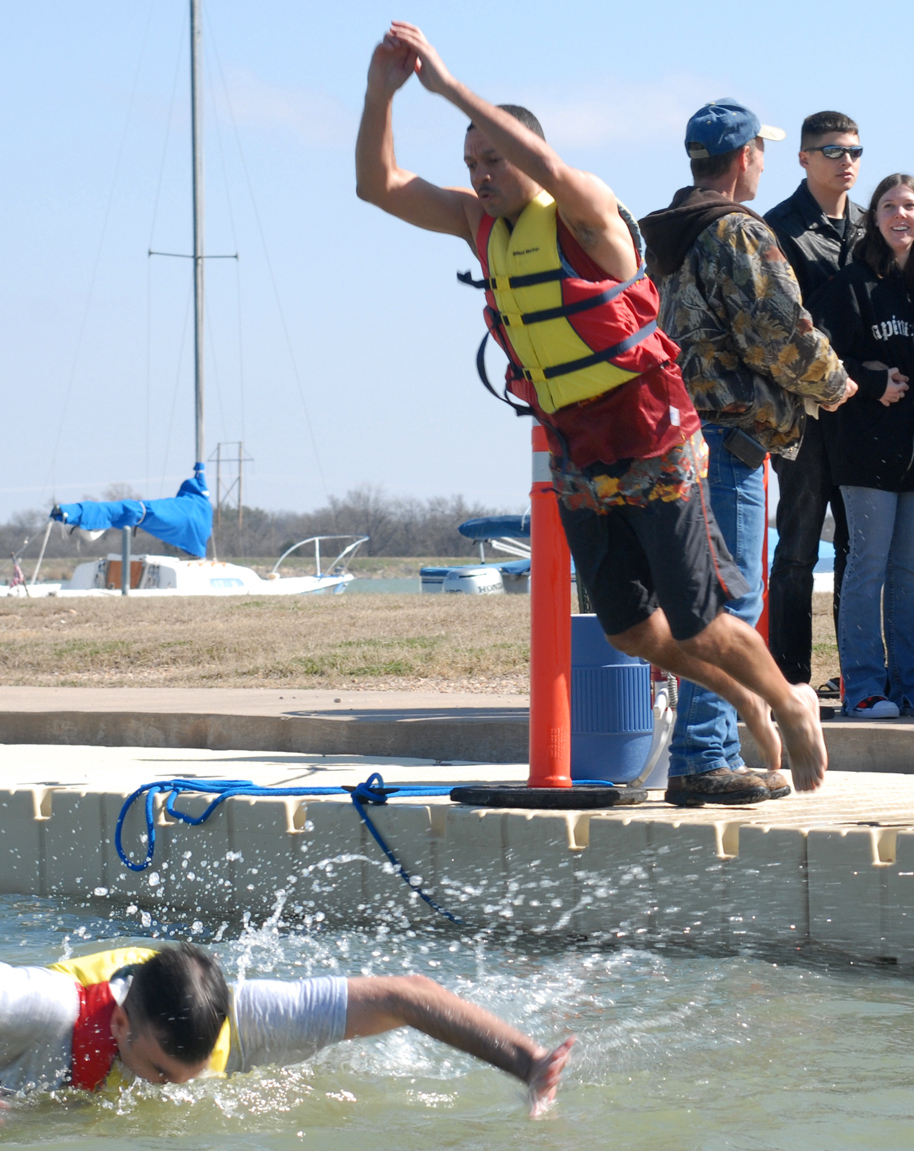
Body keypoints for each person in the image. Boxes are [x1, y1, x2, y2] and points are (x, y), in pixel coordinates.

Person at [353, 28, 830, 802]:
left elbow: (547, 166)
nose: (480, 178)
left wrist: (445, 85)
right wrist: (382, 93)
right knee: (630, 630)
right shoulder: (482, 226)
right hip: (580, 448)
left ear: (528, 157)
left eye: (492, 161)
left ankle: (789, 703)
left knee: (701, 620)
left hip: (652, 436)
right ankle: (744, 698)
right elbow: (378, 184)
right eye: (470, 165)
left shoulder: (585, 212)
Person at [637, 100, 853, 798]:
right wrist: (836, 382)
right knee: (728, 602)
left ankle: (712, 747)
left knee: (703, 594)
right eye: (761, 150)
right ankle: (705, 756)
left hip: (676, 438)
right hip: (728, 443)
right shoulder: (734, 231)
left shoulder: (669, 233)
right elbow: (780, 330)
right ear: (742, 158)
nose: (762, 161)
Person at [0, 942, 573, 1142]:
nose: (175, 1089)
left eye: (188, 1075)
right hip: (1, 1101)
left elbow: (404, 993)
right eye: (163, 1073)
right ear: (119, 1028)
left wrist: (525, 1059)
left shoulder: (248, 1020)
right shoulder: (52, 1013)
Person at [808, 173, 914, 717]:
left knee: (906, 573)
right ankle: (864, 686)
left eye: (910, 206)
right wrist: (872, 382)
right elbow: (819, 358)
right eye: (888, 206)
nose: (900, 214)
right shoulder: (851, 285)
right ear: (874, 218)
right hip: (865, 453)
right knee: (866, 567)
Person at [764, 111, 867, 699]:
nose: (845, 161)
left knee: (859, 548)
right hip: (803, 413)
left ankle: (858, 676)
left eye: (853, 150)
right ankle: (789, 678)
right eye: (831, 151)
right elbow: (783, 326)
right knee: (799, 543)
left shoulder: (868, 224)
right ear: (803, 159)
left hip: (863, 414)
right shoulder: (778, 227)